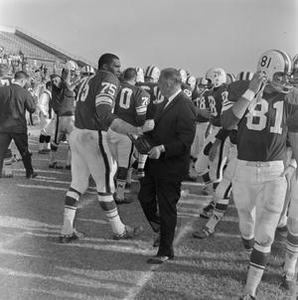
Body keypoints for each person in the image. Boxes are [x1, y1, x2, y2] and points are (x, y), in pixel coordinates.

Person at [221, 49, 298, 300]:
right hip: (243, 167)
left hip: (274, 170)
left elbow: (295, 135)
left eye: (288, 76)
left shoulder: (292, 98)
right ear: (265, 72)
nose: (286, 81)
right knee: (246, 222)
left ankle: (249, 290)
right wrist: (251, 91)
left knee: (266, 234)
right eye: (281, 75)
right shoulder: (238, 89)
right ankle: (249, 243)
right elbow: (228, 123)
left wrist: (294, 162)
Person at [59, 53, 154, 243]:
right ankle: (119, 230)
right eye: (116, 66)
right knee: (104, 188)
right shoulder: (108, 78)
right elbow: (104, 113)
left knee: (77, 185)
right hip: (93, 135)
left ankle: (66, 230)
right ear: (105, 66)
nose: (119, 70)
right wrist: (136, 129)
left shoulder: (88, 79)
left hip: (78, 133)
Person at [138, 68, 196, 264]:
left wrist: (162, 148)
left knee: (167, 207)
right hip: (155, 162)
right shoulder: (166, 102)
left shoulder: (185, 104)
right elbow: (160, 129)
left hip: (171, 165)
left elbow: (186, 140)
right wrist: (144, 136)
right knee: (144, 197)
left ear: (170, 83)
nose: (158, 87)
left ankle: (165, 249)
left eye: (161, 83)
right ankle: (161, 228)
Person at [107, 67, 150, 204]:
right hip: (127, 132)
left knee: (111, 162)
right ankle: (119, 195)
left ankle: (107, 188)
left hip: (112, 128)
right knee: (124, 165)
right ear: (136, 78)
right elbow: (140, 117)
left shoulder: (115, 87)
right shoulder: (139, 92)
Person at [0, 70, 37, 179]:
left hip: (3, 126)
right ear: (22, 80)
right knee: (24, 151)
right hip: (18, 127)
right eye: (25, 81)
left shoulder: (2, 90)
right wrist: (33, 99)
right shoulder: (25, 92)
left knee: (0, 151)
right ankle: (29, 172)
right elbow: (32, 109)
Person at [37, 81, 53, 154]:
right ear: (49, 87)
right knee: (44, 131)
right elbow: (40, 104)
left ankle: (47, 147)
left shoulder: (50, 94)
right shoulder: (45, 94)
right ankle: (41, 148)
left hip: (50, 115)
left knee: (48, 132)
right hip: (46, 115)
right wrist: (44, 112)